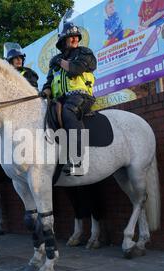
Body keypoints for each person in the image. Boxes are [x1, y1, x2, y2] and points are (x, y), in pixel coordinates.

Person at [41, 22, 97, 176]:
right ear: (64, 40)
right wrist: (45, 91)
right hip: (60, 99)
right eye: (71, 37)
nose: (74, 39)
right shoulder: (56, 60)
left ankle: (78, 160)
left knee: (68, 111)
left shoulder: (85, 53)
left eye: (76, 37)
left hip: (82, 97)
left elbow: (75, 69)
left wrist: (59, 61)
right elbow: (49, 81)